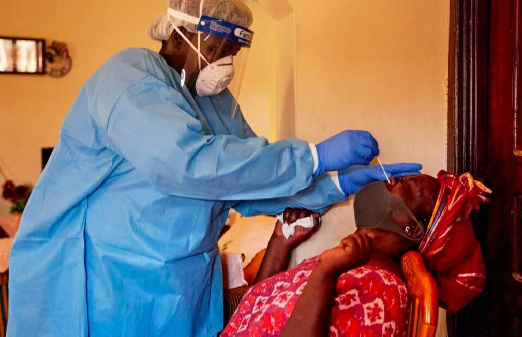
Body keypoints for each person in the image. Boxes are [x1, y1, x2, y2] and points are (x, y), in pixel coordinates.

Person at [7, 0, 422, 336]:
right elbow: (187, 164)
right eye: (220, 50)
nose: (226, 64)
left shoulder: (215, 103)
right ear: (181, 32)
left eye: (233, 54)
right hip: (105, 277)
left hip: (181, 281)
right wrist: (314, 156)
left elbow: (246, 178)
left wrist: (334, 184)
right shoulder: (128, 79)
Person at [222, 171, 490, 336]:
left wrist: (324, 274)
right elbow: (256, 311)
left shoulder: (382, 292)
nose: (392, 178)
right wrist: (280, 242)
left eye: (408, 186)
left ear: (410, 227)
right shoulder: (351, 262)